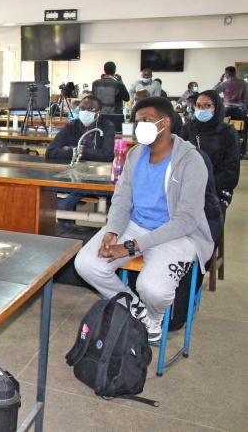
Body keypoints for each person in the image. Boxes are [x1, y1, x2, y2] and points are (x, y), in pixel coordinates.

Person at [75, 97, 213, 342]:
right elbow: (122, 199)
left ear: (165, 122)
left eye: (146, 120)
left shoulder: (191, 161)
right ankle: (135, 307)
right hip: (134, 225)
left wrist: (130, 247)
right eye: (137, 122)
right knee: (86, 264)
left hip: (176, 234)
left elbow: (186, 221)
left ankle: (154, 314)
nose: (140, 127)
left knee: (154, 289)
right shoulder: (136, 154)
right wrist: (113, 231)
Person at [46, 96, 115, 215]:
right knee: (59, 205)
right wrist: (83, 153)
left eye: (91, 109)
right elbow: (51, 151)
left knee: (62, 205)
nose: (85, 111)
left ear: (99, 113)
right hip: (74, 174)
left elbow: (107, 155)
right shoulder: (71, 127)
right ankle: (66, 225)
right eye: (82, 108)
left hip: (98, 177)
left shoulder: (107, 126)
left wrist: (76, 151)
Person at [179, 90, 240, 211]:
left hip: (216, 191)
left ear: (216, 107)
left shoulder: (228, 132)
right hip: (188, 190)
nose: (201, 109)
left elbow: (231, 170)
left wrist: (206, 185)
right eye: (198, 105)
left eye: (207, 105)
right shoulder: (187, 129)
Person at [213, 66, 248, 156]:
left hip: (227, 110)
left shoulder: (224, 84)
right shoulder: (243, 83)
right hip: (239, 110)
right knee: (242, 130)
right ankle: (242, 152)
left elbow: (213, 92)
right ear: (235, 73)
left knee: (223, 129)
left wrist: (220, 81)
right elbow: (245, 99)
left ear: (226, 74)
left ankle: (224, 150)